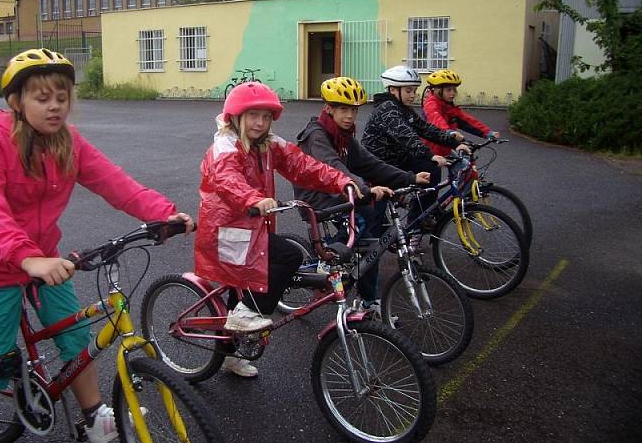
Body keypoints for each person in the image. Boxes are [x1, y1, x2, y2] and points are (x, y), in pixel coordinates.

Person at [0, 48, 194, 443]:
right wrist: (26, 257)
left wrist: (162, 214)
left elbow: (115, 181)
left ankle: (92, 413)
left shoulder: (68, 142)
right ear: (16, 102)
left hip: (46, 260)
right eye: (42, 97)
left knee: (75, 338)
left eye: (61, 96)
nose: (54, 106)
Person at [194, 82, 355, 378]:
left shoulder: (269, 144)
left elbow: (303, 165)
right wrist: (252, 199)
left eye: (266, 116)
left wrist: (340, 180)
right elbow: (227, 180)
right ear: (236, 117)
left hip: (252, 225)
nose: (260, 122)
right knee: (286, 256)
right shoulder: (225, 146)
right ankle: (244, 317)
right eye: (253, 115)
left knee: (239, 290)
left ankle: (230, 354)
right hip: (227, 228)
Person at [293, 76, 429, 309]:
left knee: (370, 245)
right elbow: (336, 168)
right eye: (343, 109)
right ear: (329, 108)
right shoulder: (318, 136)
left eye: (354, 111)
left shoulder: (343, 135)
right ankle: (327, 261)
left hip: (337, 191)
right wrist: (365, 190)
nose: (349, 116)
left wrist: (409, 177)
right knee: (363, 219)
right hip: (316, 198)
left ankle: (368, 302)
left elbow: (370, 163)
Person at [361, 65, 470, 228]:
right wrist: (430, 154)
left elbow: (425, 128)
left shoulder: (403, 109)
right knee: (375, 222)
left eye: (414, 91)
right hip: (378, 164)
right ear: (393, 90)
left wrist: (454, 141)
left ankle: (420, 215)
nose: (413, 95)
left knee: (431, 168)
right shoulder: (387, 109)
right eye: (408, 91)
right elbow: (406, 135)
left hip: (397, 159)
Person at [421, 69, 498, 157]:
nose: (453, 93)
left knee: (466, 163)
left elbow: (467, 120)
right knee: (433, 170)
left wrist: (487, 132)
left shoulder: (448, 106)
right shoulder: (430, 104)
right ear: (437, 90)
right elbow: (436, 119)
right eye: (448, 90)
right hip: (431, 150)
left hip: (447, 146)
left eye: (454, 90)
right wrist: (448, 132)